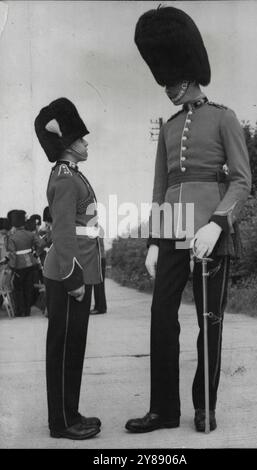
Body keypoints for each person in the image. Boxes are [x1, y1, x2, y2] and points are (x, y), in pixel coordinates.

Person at [125, 6, 251, 434]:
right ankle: (162, 409)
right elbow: (160, 188)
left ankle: (205, 406)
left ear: (190, 74)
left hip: (210, 233)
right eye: (164, 81)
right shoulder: (169, 126)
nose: (167, 89)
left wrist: (217, 223)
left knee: (207, 323)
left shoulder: (224, 117)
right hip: (172, 231)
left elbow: (242, 181)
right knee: (162, 318)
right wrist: (155, 242)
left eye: (172, 81)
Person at [34, 97, 103, 440]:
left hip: (78, 268)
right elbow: (62, 231)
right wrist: (73, 278)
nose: (86, 142)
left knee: (74, 346)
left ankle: (70, 412)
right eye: (81, 138)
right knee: (63, 348)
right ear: (68, 143)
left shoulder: (72, 174)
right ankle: (60, 423)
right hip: (67, 272)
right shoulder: (64, 177)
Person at [6, 210, 44, 317]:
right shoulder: (30, 234)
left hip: (18, 265)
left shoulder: (12, 237)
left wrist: (12, 267)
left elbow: (12, 254)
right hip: (31, 263)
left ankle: (20, 311)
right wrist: (34, 253)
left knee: (18, 288)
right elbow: (41, 244)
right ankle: (27, 311)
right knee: (28, 287)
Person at [90, 237, 107, 314]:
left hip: (98, 258)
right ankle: (99, 306)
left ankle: (100, 308)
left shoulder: (95, 229)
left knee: (98, 283)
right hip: (99, 257)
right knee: (98, 283)